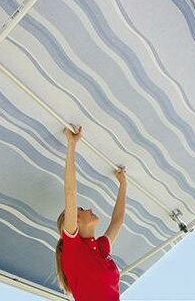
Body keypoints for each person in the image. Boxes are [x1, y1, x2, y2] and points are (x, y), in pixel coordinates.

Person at [55, 124, 127, 301]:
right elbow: (70, 192)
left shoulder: (101, 248)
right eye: (80, 209)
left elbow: (117, 220)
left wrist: (123, 184)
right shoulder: (73, 248)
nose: (89, 209)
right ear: (75, 222)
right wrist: (72, 144)